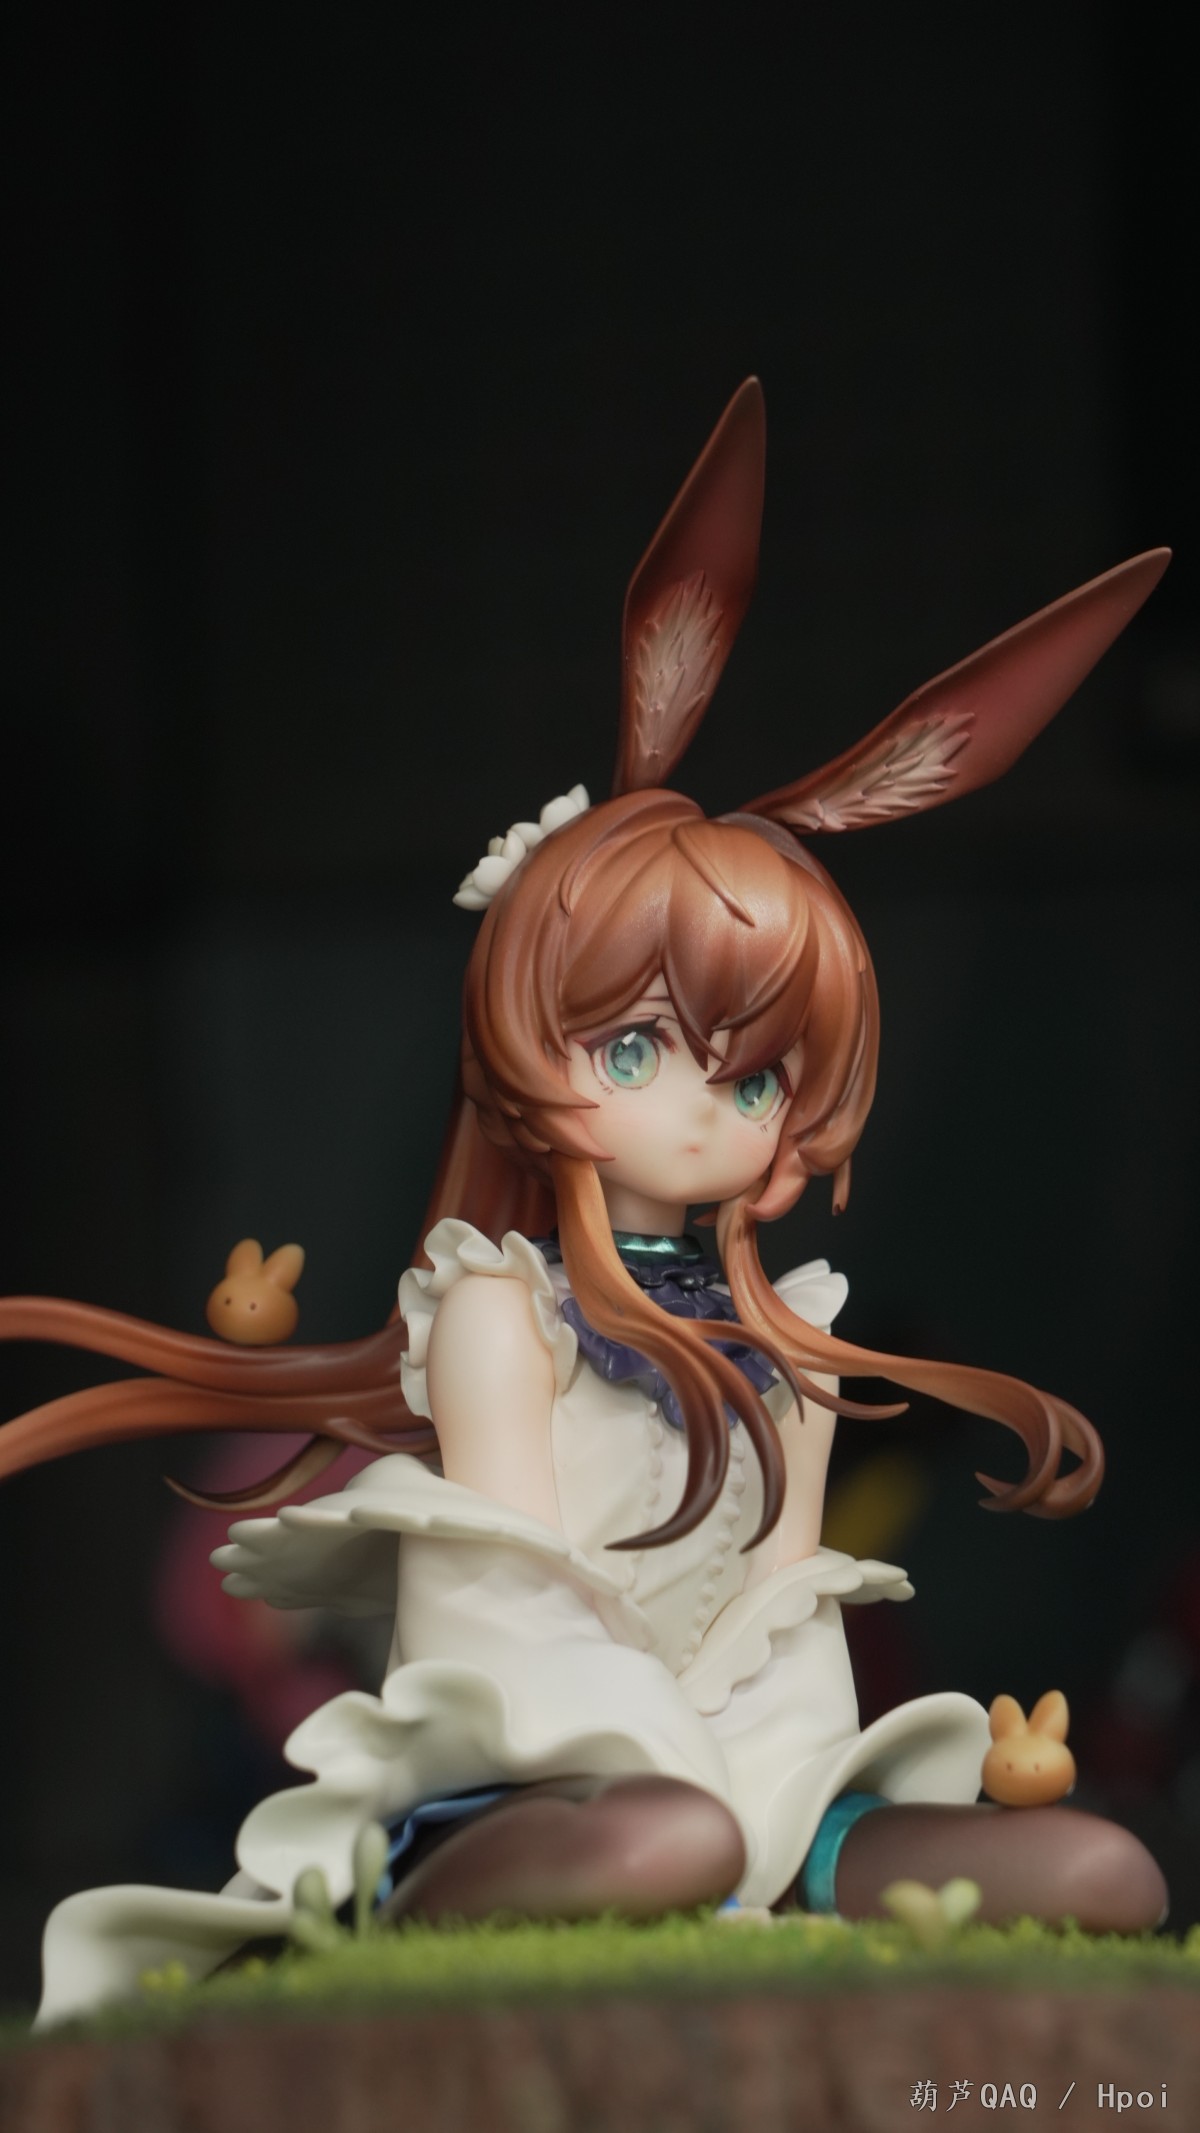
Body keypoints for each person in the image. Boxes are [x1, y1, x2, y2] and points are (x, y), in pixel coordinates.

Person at [0, 383, 1170, 2027]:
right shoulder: (501, 1309)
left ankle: (739, 1865)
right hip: (547, 1775)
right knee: (663, 1838)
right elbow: (521, 1609)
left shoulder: (792, 1339)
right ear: (529, 1037)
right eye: (638, 1046)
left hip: (764, 1790)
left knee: (1104, 1873)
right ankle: (417, 1902)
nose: (701, 1102)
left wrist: (787, 1814)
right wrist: (700, 1805)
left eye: (754, 1076)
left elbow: (781, 1615)